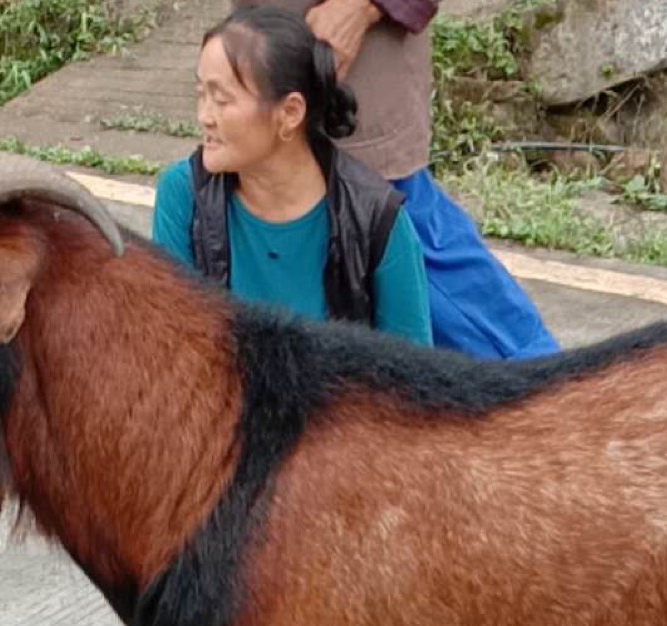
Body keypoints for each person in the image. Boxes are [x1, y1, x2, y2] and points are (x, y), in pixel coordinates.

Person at [234, 0, 559, 360]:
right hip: (263, 69)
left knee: (401, 243)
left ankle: (557, 399)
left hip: (355, 67)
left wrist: (359, 8)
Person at [152, 6, 431, 346]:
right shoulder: (183, 195)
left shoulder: (377, 221)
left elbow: (411, 379)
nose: (204, 117)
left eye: (221, 100)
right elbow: (167, 348)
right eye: (201, 95)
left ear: (290, 113)